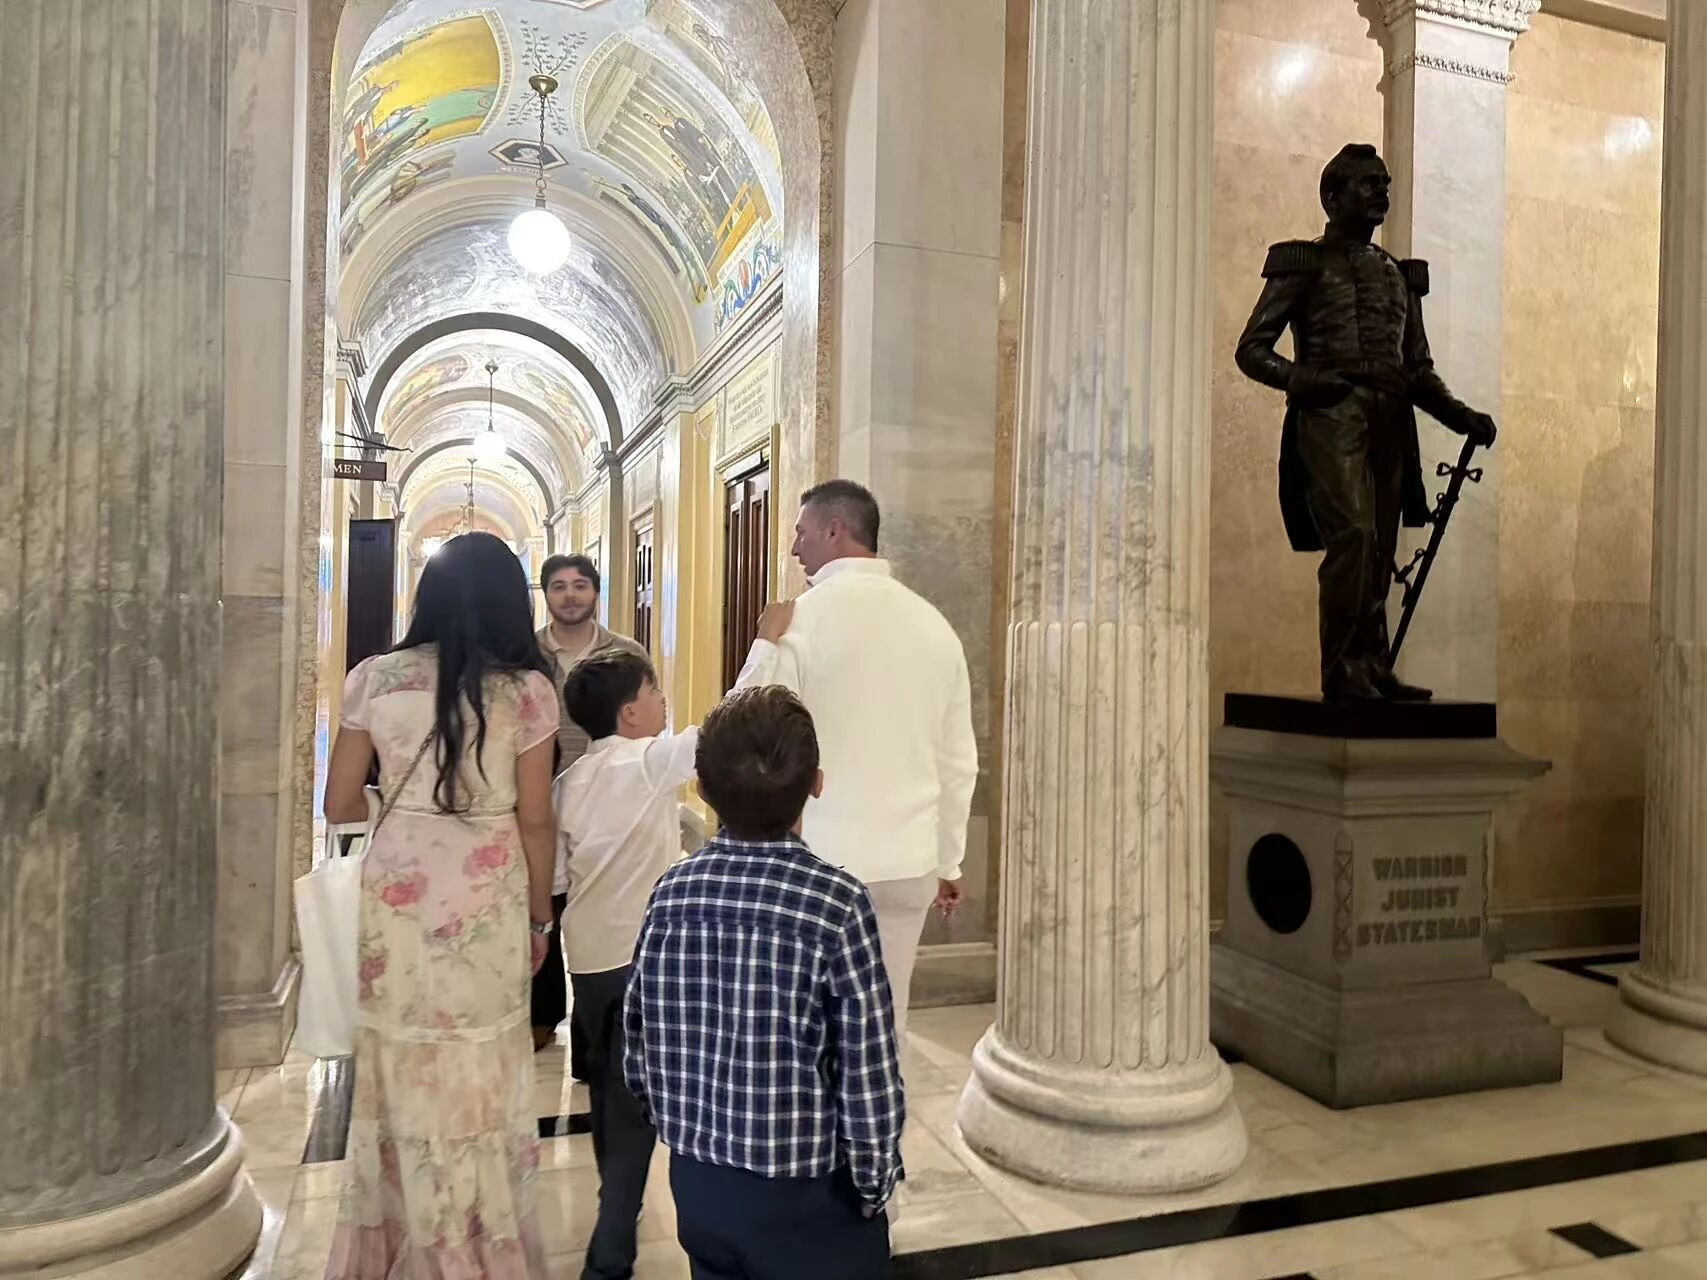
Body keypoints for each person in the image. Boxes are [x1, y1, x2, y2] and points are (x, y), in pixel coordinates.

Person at [322, 531, 559, 1280]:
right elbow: (535, 820)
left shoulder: (374, 679)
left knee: (400, 1058)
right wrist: (539, 918)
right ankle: (478, 1242)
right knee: (482, 1062)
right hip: (487, 898)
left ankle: (404, 1235)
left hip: (397, 898)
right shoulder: (528, 692)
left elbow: (339, 805)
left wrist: (405, 807)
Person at [624, 686, 904, 1279]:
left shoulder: (670, 893)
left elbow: (639, 1038)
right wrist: (874, 1181)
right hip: (809, 1195)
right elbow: (867, 1070)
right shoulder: (837, 905)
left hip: (700, 1181)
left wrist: (676, 1125)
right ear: (817, 784)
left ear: (702, 790)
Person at [1234, 142, 1498, 702]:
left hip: (1391, 415)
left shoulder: (1399, 276)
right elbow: (1252, 350)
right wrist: (1308, 380)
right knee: (1352, 534)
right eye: (1368, 183)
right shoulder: (1304, 263)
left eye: (1384, 183)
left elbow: (1417, 369)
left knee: (1380, 545)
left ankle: (1373, 665)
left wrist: (1461, 417)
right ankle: (1342, 669)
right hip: (1332, 412)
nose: (1381, 191)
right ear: (1332, 197)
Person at [736, 479, 978, 1045]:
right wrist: (948, 860)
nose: (794, 548)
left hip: (815, 860)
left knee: (805, 1028)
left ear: (834, 530)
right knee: (883, 1024)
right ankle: (878, 1106)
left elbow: (745, 728)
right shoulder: (935, 626)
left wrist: (765, 644)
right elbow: (957, 761)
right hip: (908, 862)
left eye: (800, 533)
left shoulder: (796, 621)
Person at [532, 553, 648, 1059]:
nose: (570, 596)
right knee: (546, 900)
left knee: (598, 906)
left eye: (580, 585)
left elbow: (644, 714)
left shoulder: (625, 652)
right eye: (559, 587)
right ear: (546, 595)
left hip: (610, 798)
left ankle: (592, 1029)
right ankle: (542, 1015)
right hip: (540, 792)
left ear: (596, 592)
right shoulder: (527, 654)